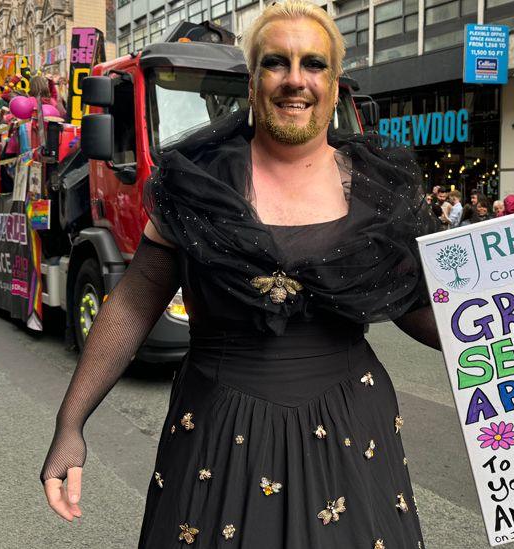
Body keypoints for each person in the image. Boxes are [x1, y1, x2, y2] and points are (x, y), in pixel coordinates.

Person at [41, 3, 439, 546]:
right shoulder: (196, 182)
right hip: (219, 430)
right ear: (252, 82)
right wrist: (71, 425)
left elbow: (420, 306)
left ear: (333, 81)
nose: (295, 79)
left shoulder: (377, 187)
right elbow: (134, 305)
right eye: (276, 62)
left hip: (353, 429)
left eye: (313, 64)